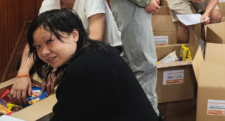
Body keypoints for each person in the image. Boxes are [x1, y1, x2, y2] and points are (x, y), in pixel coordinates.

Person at [11, 0, 121, 105]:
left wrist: (62, 69)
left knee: (75, 72)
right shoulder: (48, 3)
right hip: (67, 51)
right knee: (24, 63)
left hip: (103, 50)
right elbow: (34, 42)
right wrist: (21, 74)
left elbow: (96, 39)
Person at [27, 9, 160, 120]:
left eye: (50, 41)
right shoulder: (96, 50)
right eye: (37, 46)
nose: (43, 52)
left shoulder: (85, 65)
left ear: (74, 35)